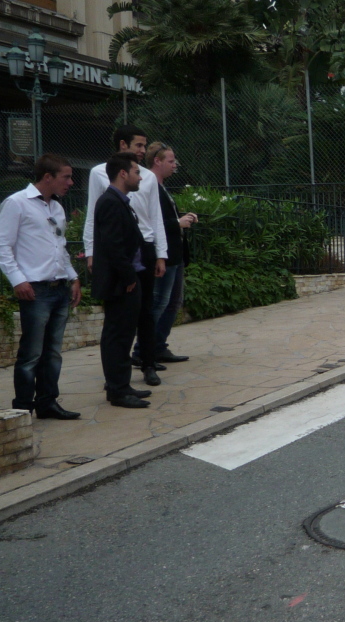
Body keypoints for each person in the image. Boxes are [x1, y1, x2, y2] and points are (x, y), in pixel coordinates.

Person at [0, 153, 82, 420]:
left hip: (58, 287)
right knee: (31, 352)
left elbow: (59, 247)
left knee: (53, 352)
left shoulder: (57, 208)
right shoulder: (17, 203)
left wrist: (73, 277)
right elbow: (1, 246)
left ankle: (47, 402)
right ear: (47, 177)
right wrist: (18, 280)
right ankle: (22, 407)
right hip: (36, 289)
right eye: (66, 177)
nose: (71, 182)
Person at [82, 125, 167, 387]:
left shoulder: (147, 177)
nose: (144, 151)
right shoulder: (99, 174)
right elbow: (93, 215)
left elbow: (155, 216)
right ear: (122, 145)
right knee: (120, 316)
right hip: (120, 250)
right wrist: (91, 251)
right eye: (139, 145)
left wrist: (161, 254)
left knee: (146, 312)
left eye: (144, 145)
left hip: (145, 246)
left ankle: (148, 363)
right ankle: (118, 377)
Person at [92, 153, 153, 409]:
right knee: (117, 335)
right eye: (137, 172)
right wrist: (128, 277)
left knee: (125, 333)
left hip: (129, 279)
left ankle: (123, 384)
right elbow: (113, 245)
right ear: (123, 173)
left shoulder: (120, 201)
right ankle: (117, 390)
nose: (140, 177)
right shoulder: (110, 202)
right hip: (121, 282)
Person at [143, 142, 197, 363]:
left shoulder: (161, 187)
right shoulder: (150, 187)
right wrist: (177, 222)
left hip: (174, 254)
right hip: (164, 254)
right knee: (160, 303)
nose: (175, 165)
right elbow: (149, 222)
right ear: (157, 161)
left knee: (173, 302)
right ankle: (144, 349)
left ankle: (158, 345)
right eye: (171, 161)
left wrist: (183, 217)